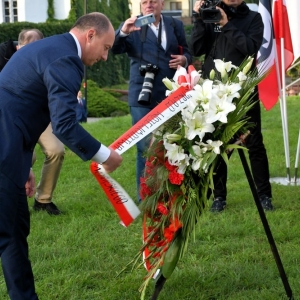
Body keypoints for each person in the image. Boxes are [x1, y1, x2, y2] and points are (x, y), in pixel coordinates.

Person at [0, 12, 122, 299]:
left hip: (10, 151)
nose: (105, 57)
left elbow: (17, 105)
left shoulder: (51, 47)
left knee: (15, 233)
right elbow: (65, 124)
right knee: (8, 236)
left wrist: (22, 162)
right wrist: (105, 155)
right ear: (90, 34)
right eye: (105, 48)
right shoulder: (66, 60)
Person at [190, 0, 274, 212]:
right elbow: (197, 48)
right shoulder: (211, 14)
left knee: (254, 144)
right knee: (216, 144)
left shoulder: (253, 17)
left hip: (243, 89)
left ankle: (264, 196)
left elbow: (250, 48)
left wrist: (227, 24)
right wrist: (198, 19)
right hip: (215, 91)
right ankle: (219, 197)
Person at [111, 0, 192, 202]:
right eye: (144, 2)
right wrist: (122, 32)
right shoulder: (132, 25)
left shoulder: (175, 25)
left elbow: (187, 51)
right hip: (142, 93)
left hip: (171, 92)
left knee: (171, 143)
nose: (149, 5)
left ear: (161, 4)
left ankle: (170, 189)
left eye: (153, 1)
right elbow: (114, 49)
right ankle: (145, 196)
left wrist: (185, 60)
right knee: (145, 146)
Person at [16, 29, 65, 216]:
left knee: (56, 150)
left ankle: (43, 200)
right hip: (16, 119)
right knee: (27, 156)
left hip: (41, 117)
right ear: (19, 48)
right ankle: (16, 198)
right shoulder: (7, 62)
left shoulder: (50, 63)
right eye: (30, 47)